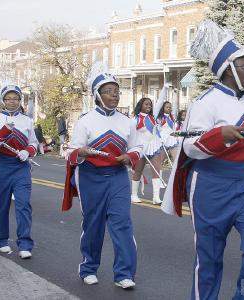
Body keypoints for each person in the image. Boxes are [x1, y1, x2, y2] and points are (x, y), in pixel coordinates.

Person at [161, 20, 244, 300]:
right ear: (228, 70)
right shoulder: (205, 102)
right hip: (210, 186)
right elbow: (190, 146)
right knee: (209, 260)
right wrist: (220, 135)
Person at [62, 67, 141, 289]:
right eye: (108, 91)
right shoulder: (86, 121)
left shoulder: (127, 122)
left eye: (116, 91)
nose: (114, 95)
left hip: (117, 178)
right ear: (97, 95)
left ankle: (124, 273)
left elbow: (138, 148)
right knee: (93, 224)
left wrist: (130, 156)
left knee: (122, 224)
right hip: (90, 177)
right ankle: (88, 267)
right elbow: (71, 152)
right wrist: (82, 152)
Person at [0, 84, 38, 258]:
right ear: (3, 100)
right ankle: (1, 240)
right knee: (2, 206)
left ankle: (25, 243)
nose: (12, 101)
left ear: (20, 100)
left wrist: (27, 151)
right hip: (1, 167)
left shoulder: (27, 120)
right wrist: (5, 131)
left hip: (21, 167)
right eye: (8, 98)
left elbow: (34, 144)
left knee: (23, 205)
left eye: (15, 98)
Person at [130, 95, 164, 205]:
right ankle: (134, 194)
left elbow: (160, 101)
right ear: (141, 105)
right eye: (146, 104)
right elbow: (131, 136)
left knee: (157, 170)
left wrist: (165, 87)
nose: (149, 106)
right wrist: (134, 148)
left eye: (150, 104)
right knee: (138, 171)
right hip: (141, 147)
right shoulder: (135, 119)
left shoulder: (152, 117)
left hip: (153, 146)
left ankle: (156, 197)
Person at [156, 85, 179, 162]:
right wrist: (164, 89)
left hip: (172, 139)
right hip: (163, 140)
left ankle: (175, 174)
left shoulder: (172, 116)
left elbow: (175, 104)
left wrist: (175, 94)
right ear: (163, 108)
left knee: (176, 161)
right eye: (167, 107)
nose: (169, 108)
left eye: (170, 107)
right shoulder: (159, 118)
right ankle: (158, 174)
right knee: (160, 163)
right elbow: (160, 101)